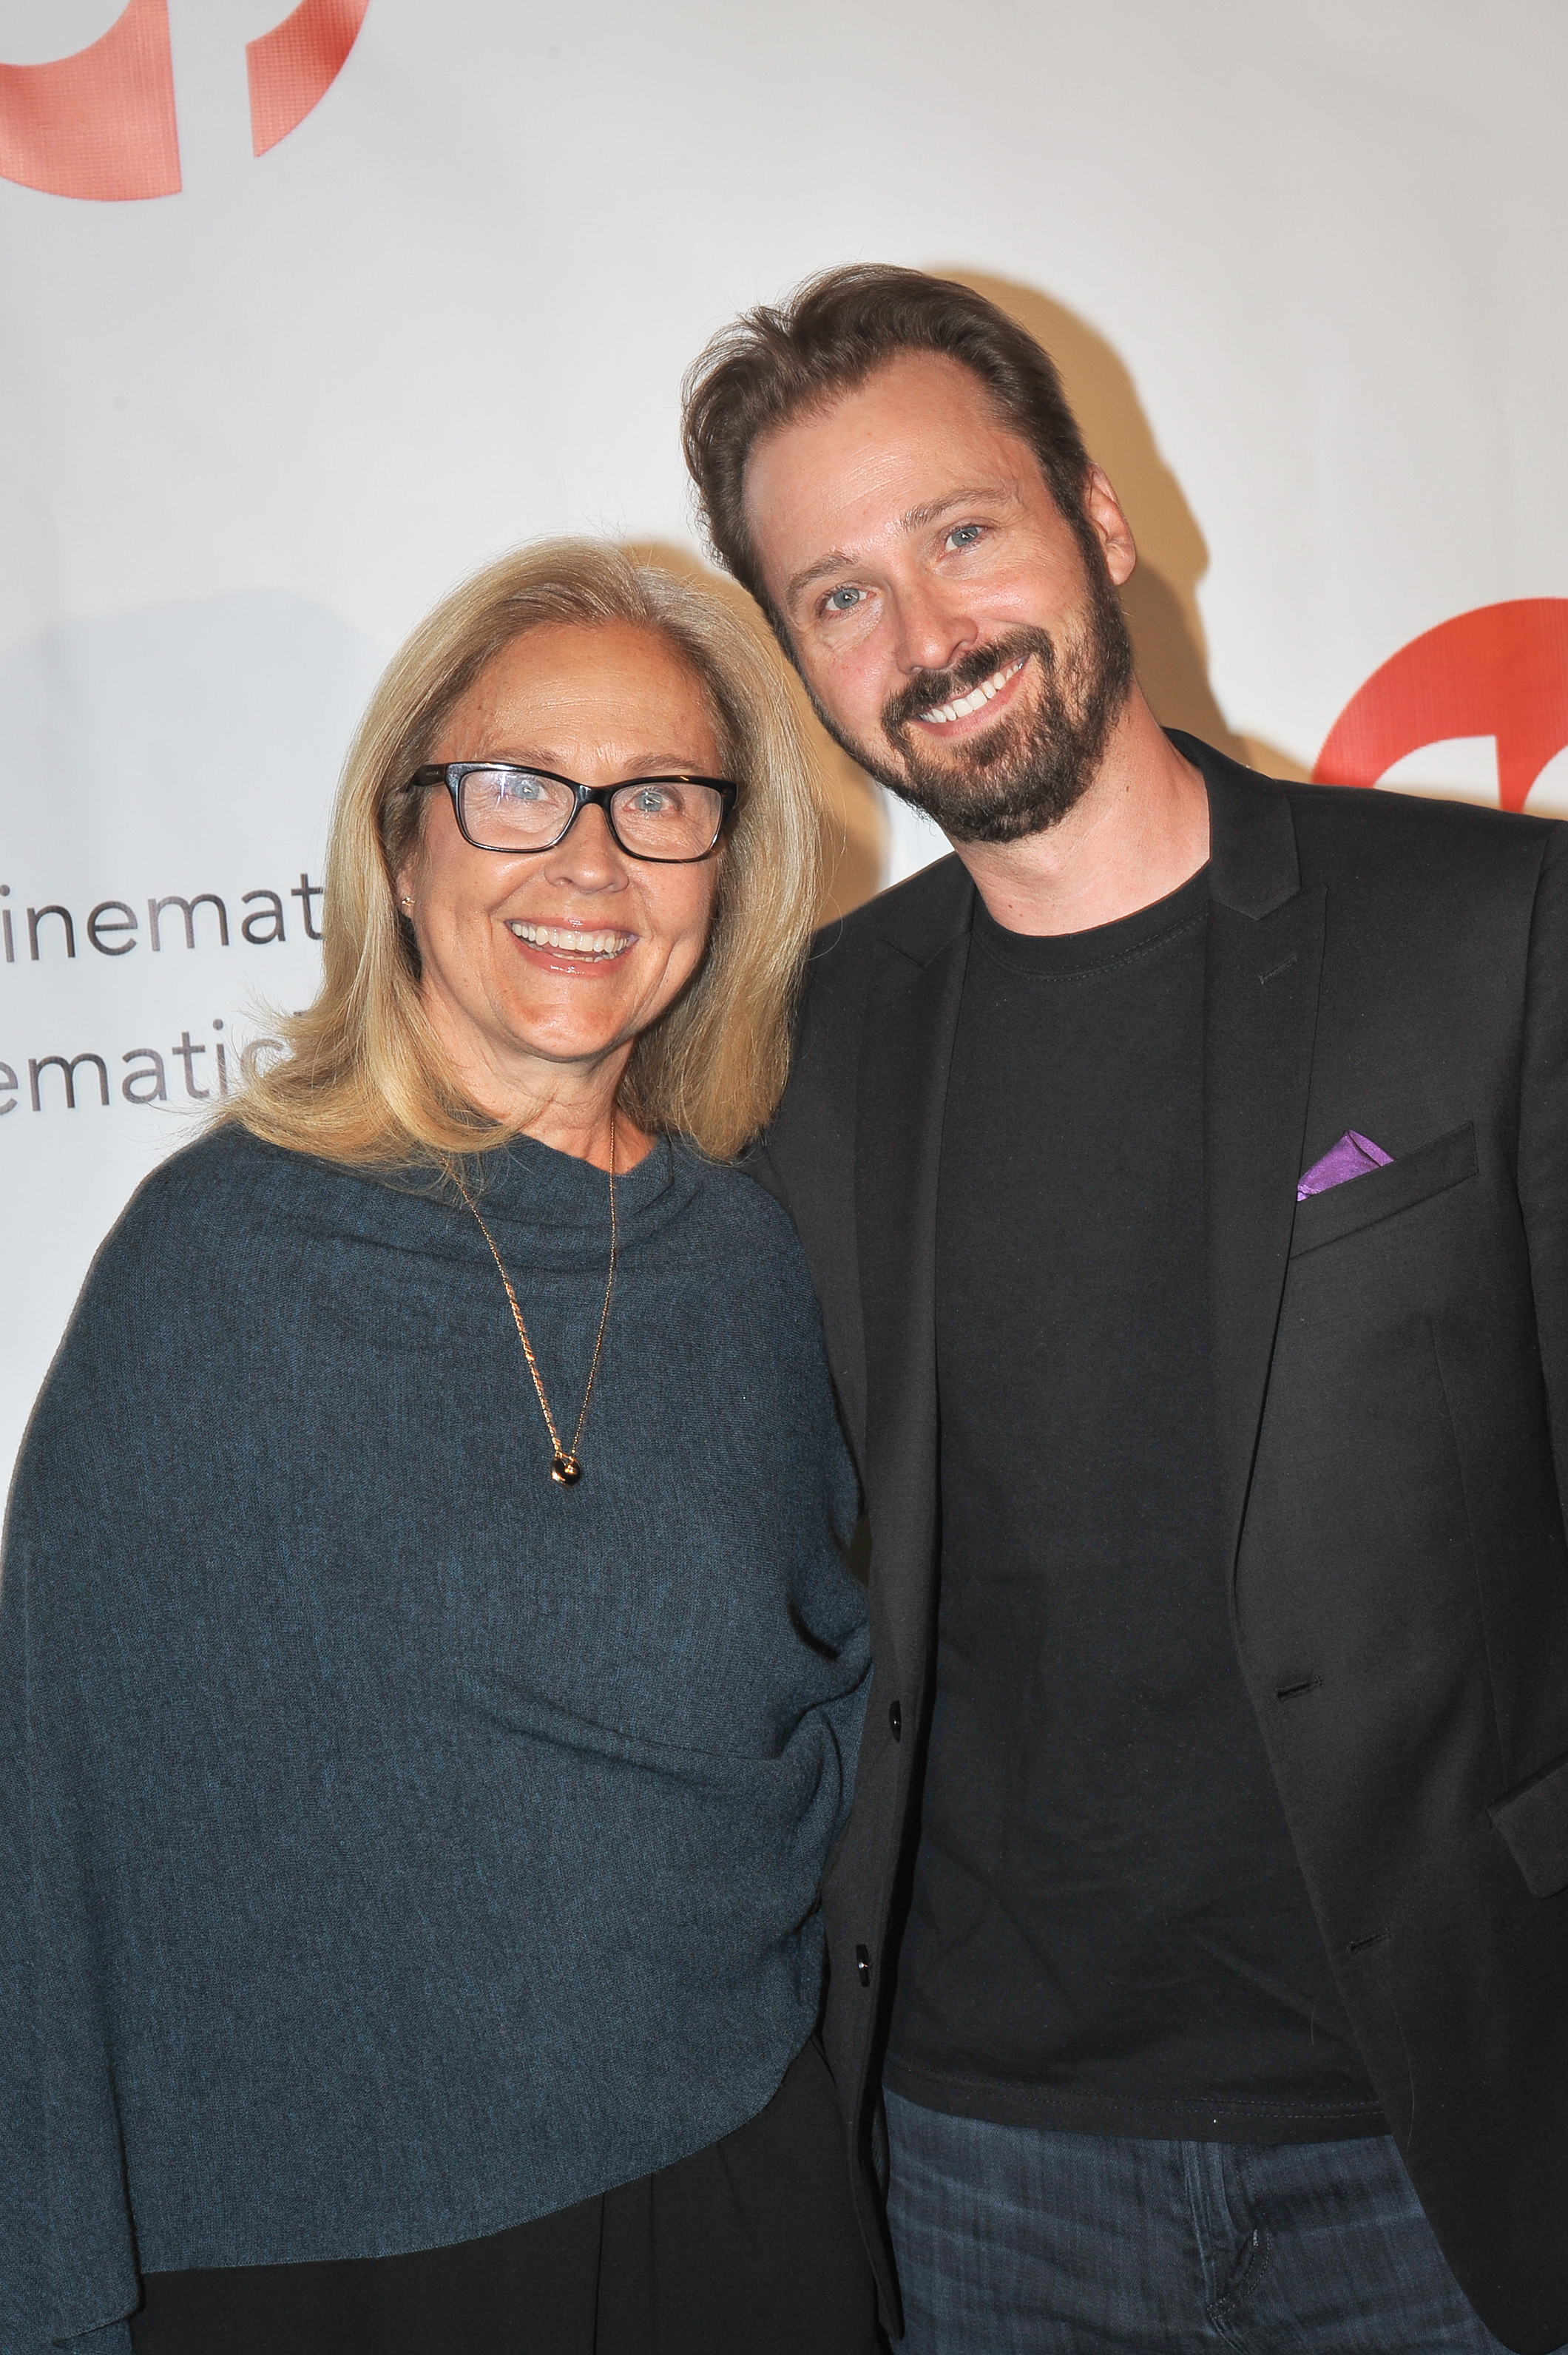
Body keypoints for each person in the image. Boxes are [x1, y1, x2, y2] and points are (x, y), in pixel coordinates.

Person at [678, 264, 1568, 2355]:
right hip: (987, 2172)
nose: (926, 638)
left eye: (962, 533)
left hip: (1450, 2125)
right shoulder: (790, 1059)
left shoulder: (1494, 939)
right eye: (837, 596)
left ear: (1102, 517)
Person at [0, 541, 881, 2355]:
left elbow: (839, 1707)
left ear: (730, 861)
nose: (587, 858)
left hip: (736, 2183)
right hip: (332, 2249)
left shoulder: (751, 1261)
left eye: (658, 798)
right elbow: (57, 1818)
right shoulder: (221, 1259)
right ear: (400, 844)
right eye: (514, 787)